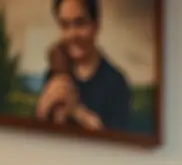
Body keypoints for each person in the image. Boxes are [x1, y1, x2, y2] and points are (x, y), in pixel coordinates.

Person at [36, 0, 131, 132]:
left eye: (79, 23)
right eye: (65, 25)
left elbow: (118, 143)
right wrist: (43, 108)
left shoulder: (116, 83)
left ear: (95, 26)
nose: (72, 34)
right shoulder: (53, 75)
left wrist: (75, 109)